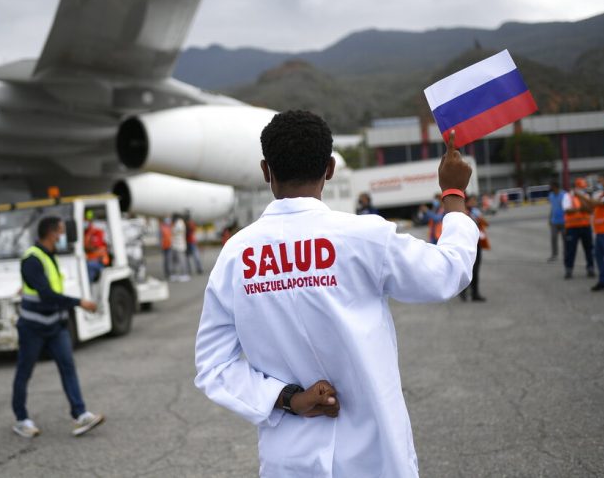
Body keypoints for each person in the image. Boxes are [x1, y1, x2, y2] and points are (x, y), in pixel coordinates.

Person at [194, 111, 477, 477]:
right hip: (376, 457)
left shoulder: (235, 255)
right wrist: (453, 194)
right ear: (329, 168)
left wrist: (288, 399)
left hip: (291, 462)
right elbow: (448, 272)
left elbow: (213, 366)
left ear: (266, 171)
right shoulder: (365, 237)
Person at [13, 216, 104, 438]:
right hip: (33, 327)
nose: (63, 237)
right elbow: (45, 294)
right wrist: (79, 302)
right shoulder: (32, 259)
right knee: (25, 372)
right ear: (52, 233)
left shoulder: (48, 255)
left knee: (67, 366)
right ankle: (21, 419)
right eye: (61, 232)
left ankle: (80, 414)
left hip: (55, 324)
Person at [562, 177, 595, 279]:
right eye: (581, 188)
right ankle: (569, 269)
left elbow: (590, 210)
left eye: (584, 188)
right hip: (572, 228)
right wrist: (580, 208)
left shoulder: (585, 196)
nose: (583, 190)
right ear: (575, 187)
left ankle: (590, 268)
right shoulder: (568, 196)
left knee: (589, 249)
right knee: (570, 250)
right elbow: (567, 210)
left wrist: (581, 203)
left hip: (585, 226)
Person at [460, 194, 489, 302]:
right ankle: (463, 291)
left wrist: (480, 218)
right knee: (468, 269)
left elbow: (486, 224)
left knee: (476, 270)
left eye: (475, 201)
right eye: (472, 201)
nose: (474, 203)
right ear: (466, 202)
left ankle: (475, 293)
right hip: (467, 244)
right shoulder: (463, 213)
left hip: (477, 243)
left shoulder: (475, 212)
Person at [84, 210, 109, 282]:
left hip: (99, 262)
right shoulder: (86, 233)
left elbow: (90, 247)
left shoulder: (97, 233)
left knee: (88, 266)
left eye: (88, 221)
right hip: (90, 260)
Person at [547, 180, 566, 262]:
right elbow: (552, 208)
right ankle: (554, 255)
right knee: (553, 238)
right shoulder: (551, 195)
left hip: (564, 221)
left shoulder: (564, 195)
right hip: (554, 221)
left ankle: (566, 254)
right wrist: (550, 218)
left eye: (551, 186)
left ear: (555, 186)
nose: (549, 188)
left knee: (565, 239)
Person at [170, 213, 190, 281]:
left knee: (181, 261)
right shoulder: (177, 223)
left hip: (180, 246)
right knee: (175, 261)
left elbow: (175, 231)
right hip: (175, 245)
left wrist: (172, 230)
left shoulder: (180, 223)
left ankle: (184, 274)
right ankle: (176, 274)